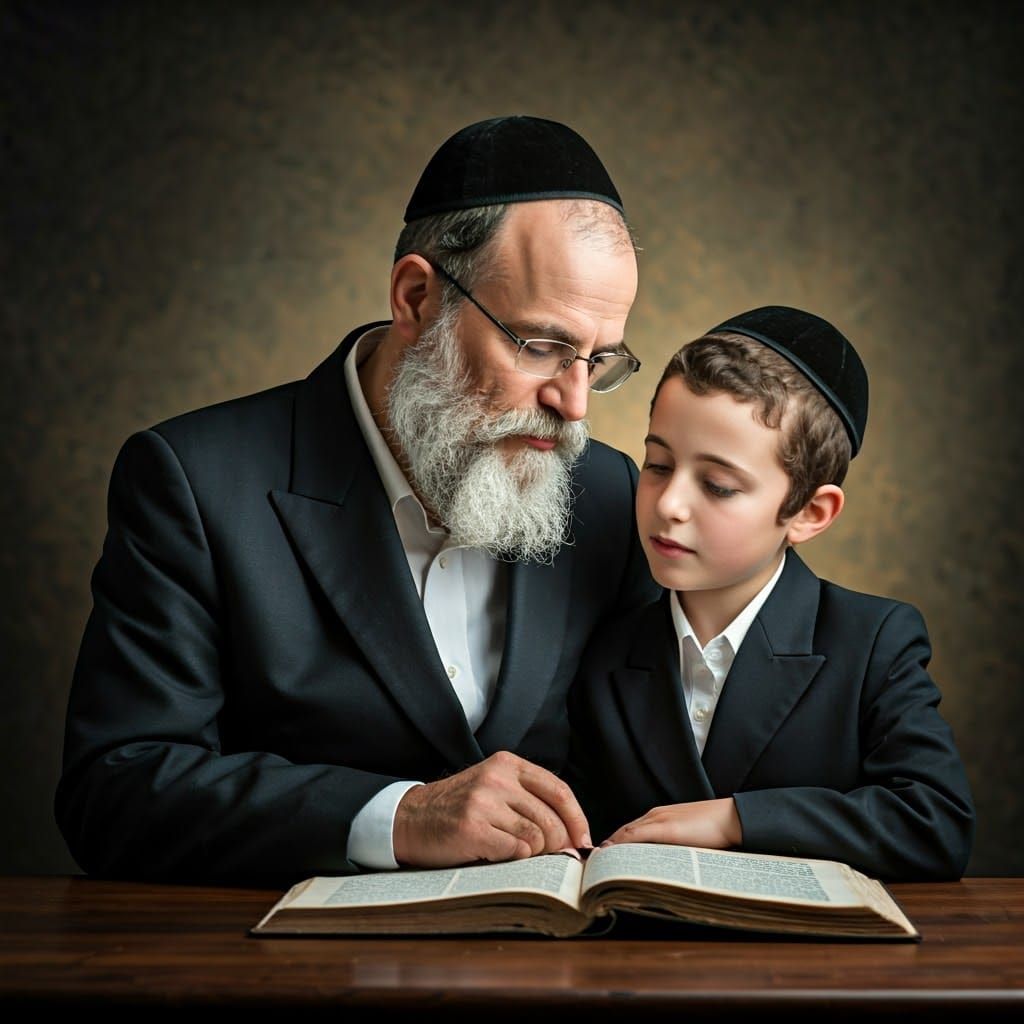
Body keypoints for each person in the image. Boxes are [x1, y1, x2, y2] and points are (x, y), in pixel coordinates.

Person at [55, 116, 660, 884]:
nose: (573, 406)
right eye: (541, 346)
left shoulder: (611, 492)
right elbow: (114, 789)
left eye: (598, 361)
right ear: (416, 297)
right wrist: (401, 817)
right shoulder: (196, 480)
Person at [568, 306, 975, 880]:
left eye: (718, 486)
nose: (669, 504)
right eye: (657, 464)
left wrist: (734, 820)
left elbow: (935, 823)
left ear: (810, 512)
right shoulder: (605, 646)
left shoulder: (873, 642)